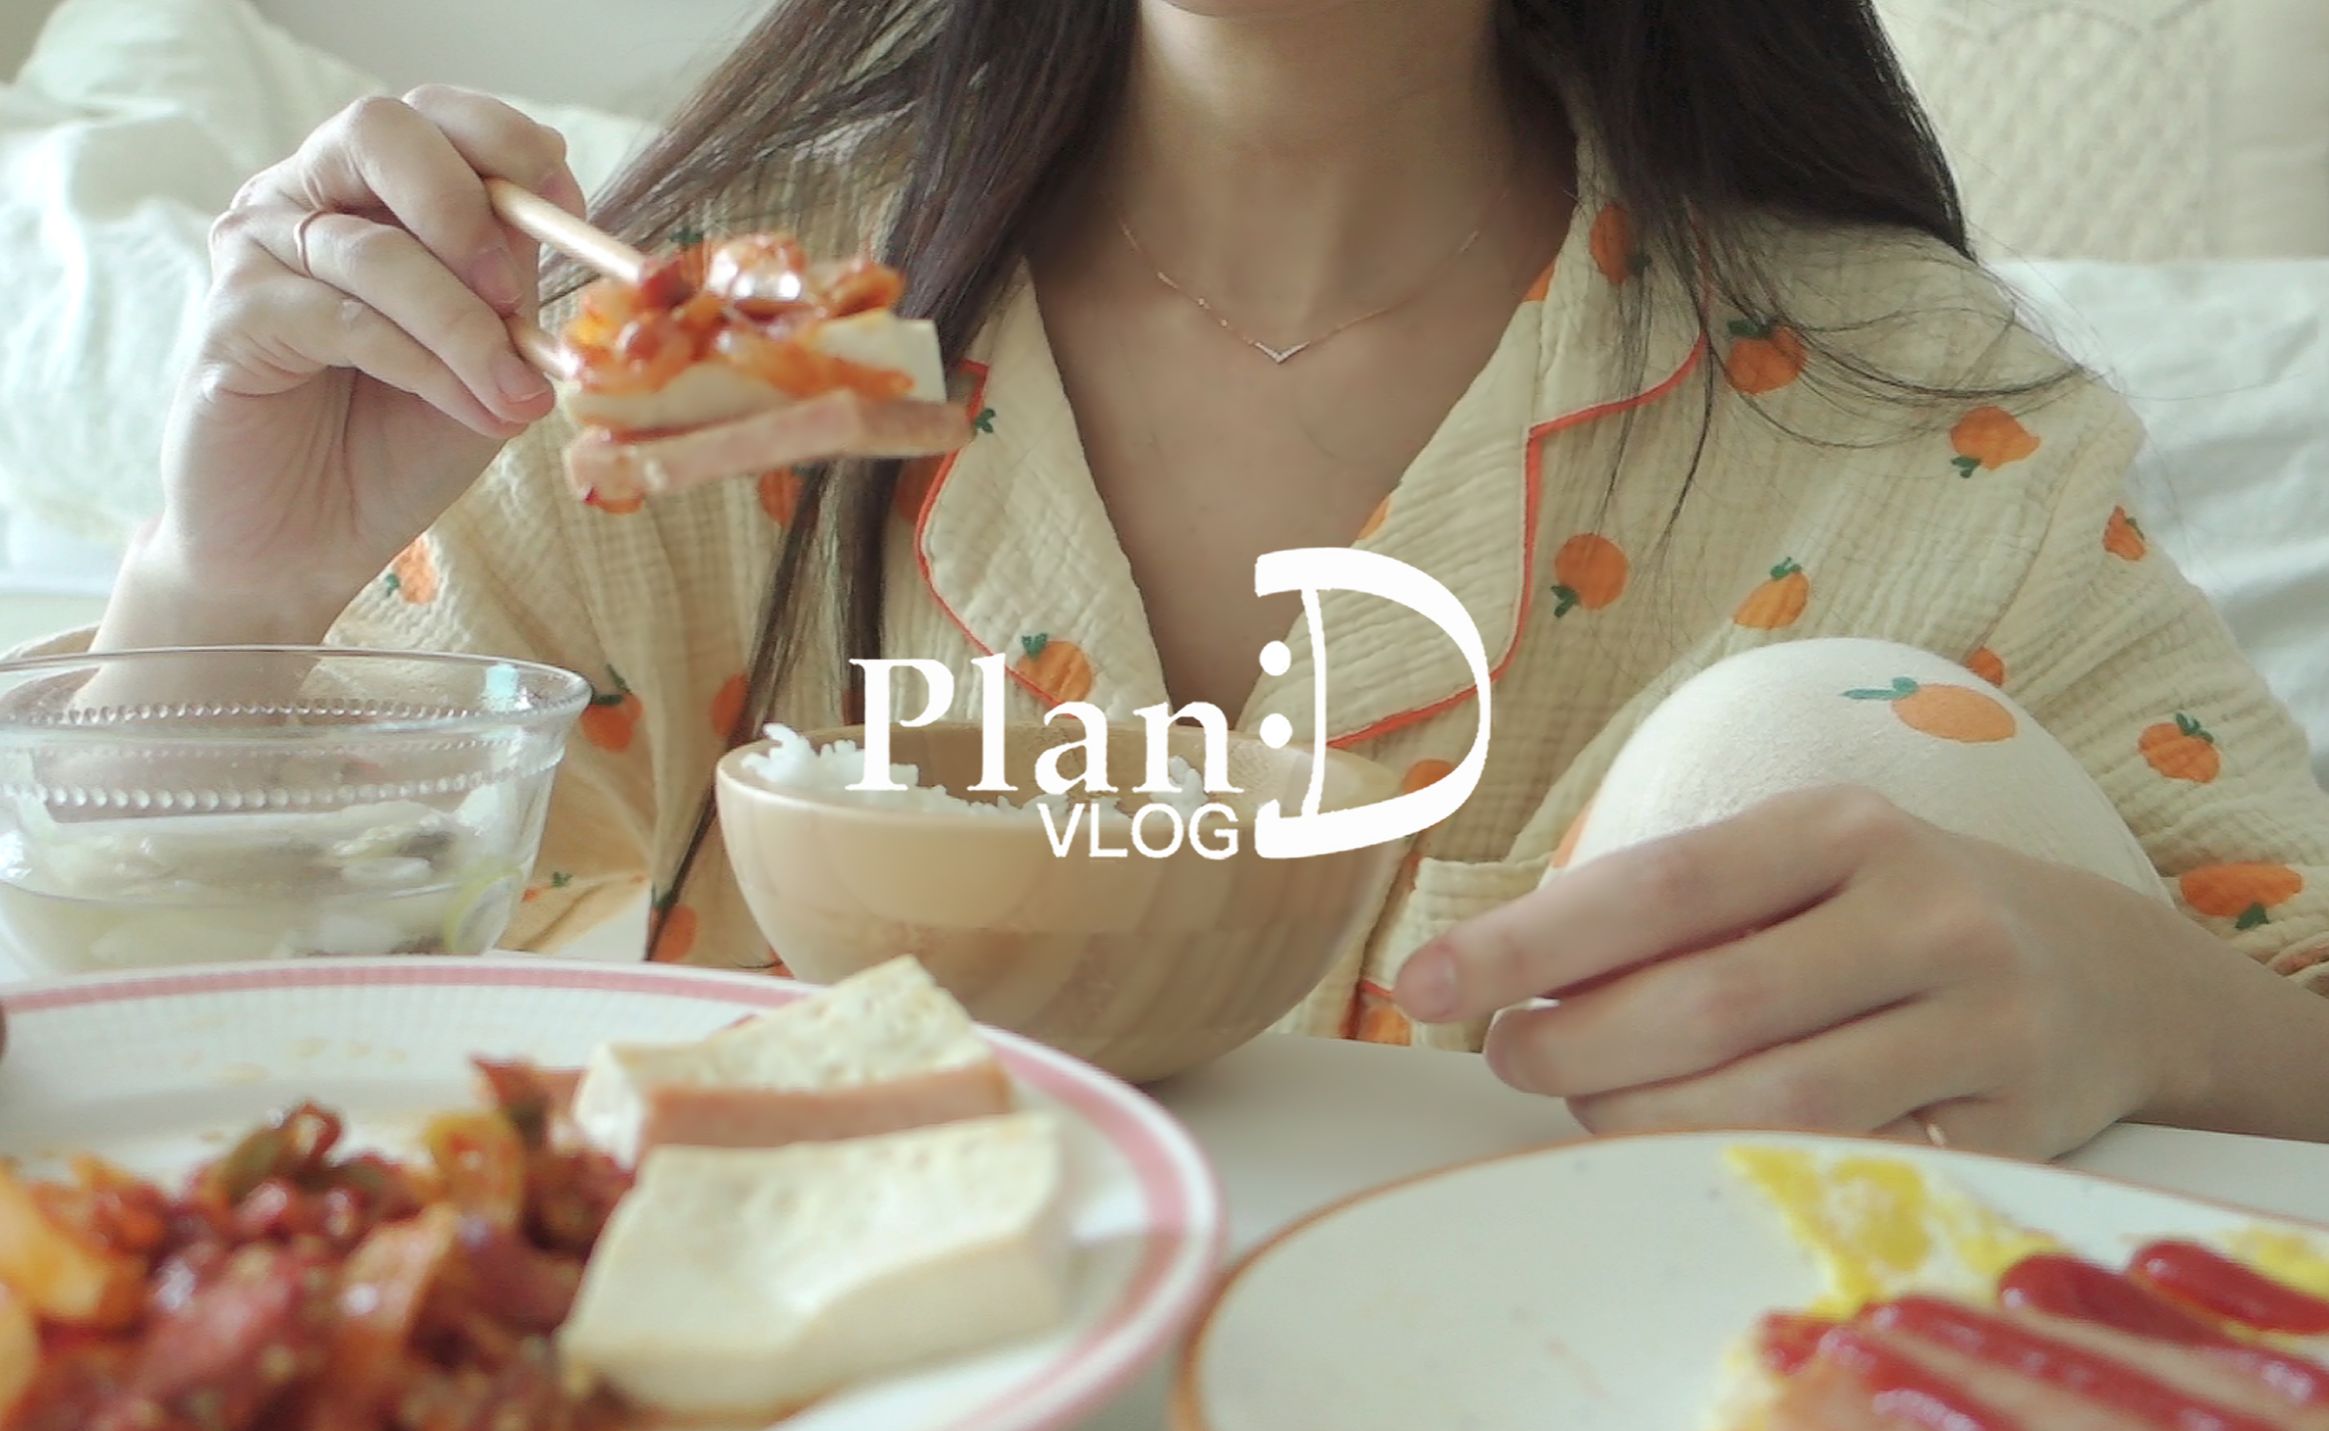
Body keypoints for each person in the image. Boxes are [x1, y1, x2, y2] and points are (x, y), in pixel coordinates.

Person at [67, 0, 2329, 1156]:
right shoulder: (679, 353)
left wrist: (2154, 1009)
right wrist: (225, 590)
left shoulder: (1911, 425)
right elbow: (236, 1047)